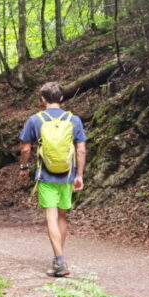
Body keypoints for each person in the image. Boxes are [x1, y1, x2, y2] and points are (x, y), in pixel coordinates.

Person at [18, 81, 87, 277]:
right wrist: (79, 175)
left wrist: (24, 167)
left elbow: (25, 148)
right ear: (62, 98)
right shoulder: (74, 120)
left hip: (46, 175)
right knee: (63, 216)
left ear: (42, 100)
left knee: (51, 215)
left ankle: (59, 260)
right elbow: (81, 149)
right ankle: (59, 256)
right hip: (68, 174)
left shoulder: (35, 120)